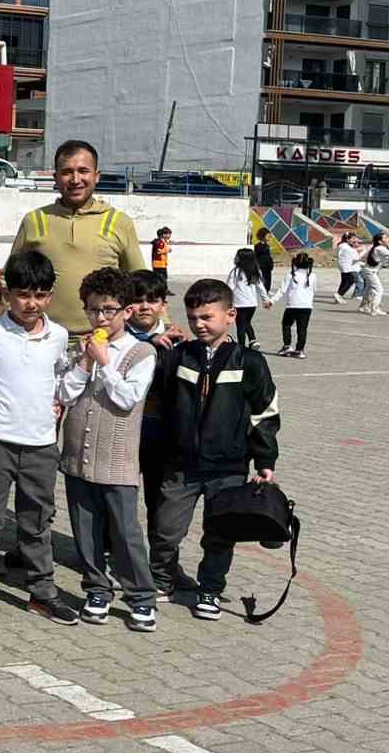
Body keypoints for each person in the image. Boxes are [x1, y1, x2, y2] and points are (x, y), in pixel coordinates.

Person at [148, 278, 280, 620]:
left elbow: (265, 412)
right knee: (165, 529)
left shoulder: (249, 361)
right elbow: (156, 397)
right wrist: (154, 345)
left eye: (207, 317)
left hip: (229, 466)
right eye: (193, 318)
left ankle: (210, 590)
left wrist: (265, 459)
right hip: (181, 464)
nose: (199, 324)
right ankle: (162, 580)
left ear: (231, 315)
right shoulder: (178, 356)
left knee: (220, 533)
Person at [0, 249, 77, 628]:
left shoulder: (58, 336)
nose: (32, 303)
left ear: (50, 295)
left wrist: (57, 402)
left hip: (42, 444)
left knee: (36, 521)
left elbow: (61, 378)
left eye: (41, 295)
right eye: (24, 294)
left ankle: (42, 593)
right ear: (8, 293)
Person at [58, 268, 159, 633]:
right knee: (85, 529)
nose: (100, 318)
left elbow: (127, 400)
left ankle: (141, 597)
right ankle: (96, 588)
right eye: (93, 310)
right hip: (77, 459)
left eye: (108, 310)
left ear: (127, 312)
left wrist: (103, 362)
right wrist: (85, 362)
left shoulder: (141, 351)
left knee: (125, 532)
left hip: (116, 462)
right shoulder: (82, 348)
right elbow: (65, 395)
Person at [9, 140, 148, 337]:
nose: (75, 179)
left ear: (96, 176)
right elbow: (10, 280)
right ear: (55, 177)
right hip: (42, 340)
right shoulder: (34, 220)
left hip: (101, 340)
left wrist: (162, 326)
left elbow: (141, 282)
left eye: (83, 171)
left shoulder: (118, 222)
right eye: (67, 172)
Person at [126, 270, 176, 542]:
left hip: (161, 436)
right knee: (118, 499)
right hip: (125, 434)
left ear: (163, 305)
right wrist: (147, 343)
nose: (145, 306)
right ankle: (110, 550)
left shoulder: (177, 340)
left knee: (160, 502)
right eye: (138, 300)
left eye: (153, 300)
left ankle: (161, 562)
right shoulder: (116, 338)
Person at [273, 254, 316, 358]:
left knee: (286, 325)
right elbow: (314, 290)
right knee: (302, 329)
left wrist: (272, 300)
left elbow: (282, 290)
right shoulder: (312, 276)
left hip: (292, 305)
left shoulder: (291, 275)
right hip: (306, 306)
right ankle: (299, 350)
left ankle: (287, 346)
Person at [226, 249, 270, 350]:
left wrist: (225, 300)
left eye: (237, 256)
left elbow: (229, 287)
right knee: (246, 322)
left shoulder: (236, 272)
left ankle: (241, 346)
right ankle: (252, 340)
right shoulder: (255, 271)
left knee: (240, 325)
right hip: (252, 304)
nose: (235, 258)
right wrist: (266, 300)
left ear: (240, 259)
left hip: (239, 304)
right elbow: (261, 287)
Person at [359, 233, 389, 316]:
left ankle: (363, 307)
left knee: (369, 289)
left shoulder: (378, 247)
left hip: (370, 270)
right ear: (380, 241)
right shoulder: (380, 248)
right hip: (370, 271)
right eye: (385, 237)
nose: (387, 238)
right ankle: (375, 309)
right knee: (379, 290)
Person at [333, 234, 362, 304]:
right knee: (350, 280)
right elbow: (356, 258)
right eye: (353, 239)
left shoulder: (341, 246)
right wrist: (362, 252)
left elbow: (336, 254)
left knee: (344, 282)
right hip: (348, 267)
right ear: (347, 239)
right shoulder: (348, 248)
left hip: (343, 266)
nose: (355, 240)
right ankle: (339, 294)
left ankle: (339, 296)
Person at [151, 227, 174, 293]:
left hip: (162, 263)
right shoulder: (159, 242)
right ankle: (161, 290)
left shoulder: (163, 241)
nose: (169, 236)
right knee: (161, 278)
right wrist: (167, 250)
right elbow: (159, 251)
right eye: (168, 234)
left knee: (163, 278)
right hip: (158, 263)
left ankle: (163, 290)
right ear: (164, 234)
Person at [253, 227, 275, 293]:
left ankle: (267, 290)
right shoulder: (257, 246)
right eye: (268, 236)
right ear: (263, 236)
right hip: (262, 265)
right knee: (263, 278)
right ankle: (264, 290)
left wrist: (271, 263)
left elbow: (269, 256)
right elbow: (256, 256)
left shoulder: (267, 246)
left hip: (268, 265)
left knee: (269, 278)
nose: (269, 238)